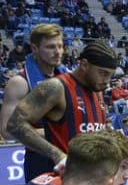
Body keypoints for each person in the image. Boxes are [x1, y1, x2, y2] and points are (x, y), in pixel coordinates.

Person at [6, 40, 115, 175]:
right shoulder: (55, 87)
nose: (107, 81)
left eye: (110, 75)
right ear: (84, 65)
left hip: (87, 177)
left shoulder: (97, 90)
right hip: (55, 177)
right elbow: (14, 124)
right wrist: (57, 155)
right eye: (103, 73)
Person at [0, 24, 68, 180]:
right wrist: (57, 131)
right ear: (34, 48)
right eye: (50, 47)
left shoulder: (67, 78)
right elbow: (7, 131)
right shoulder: (19, 83)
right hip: (40, 160)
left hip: (71, 157)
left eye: (60, 46)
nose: (58, 52)